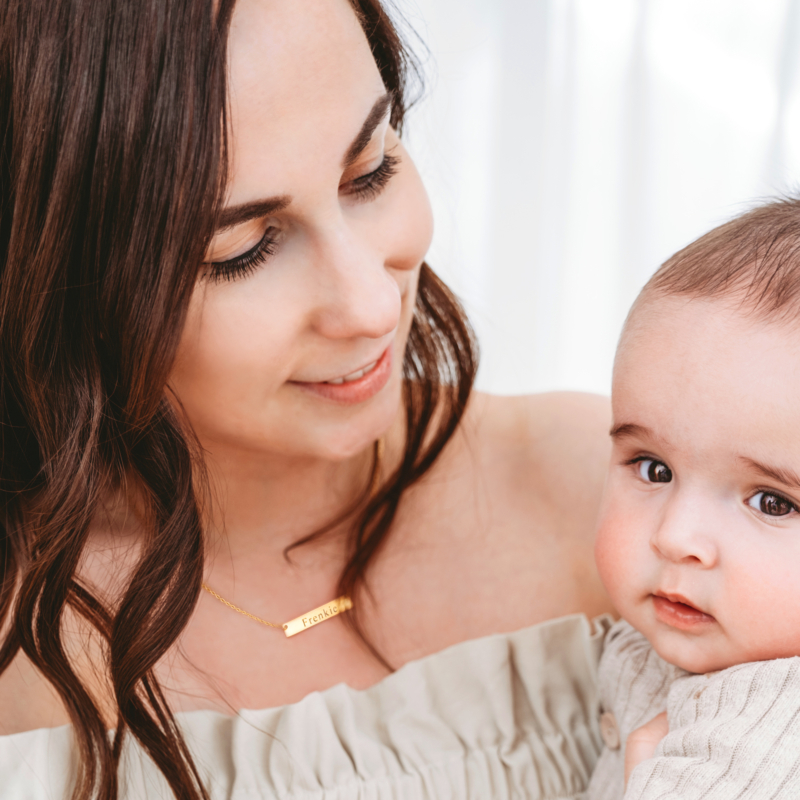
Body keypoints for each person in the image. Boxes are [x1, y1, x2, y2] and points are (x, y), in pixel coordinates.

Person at [0, 0, 613, 798]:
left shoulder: (618, 500)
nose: (370, 305)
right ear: (52, 278)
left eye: (372, 171)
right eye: (241, 250)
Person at [586, 197, 800, 800]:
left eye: (774, 502)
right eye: (653, 469)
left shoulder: (769, 746)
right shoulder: (643, 644)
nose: (674, 536)